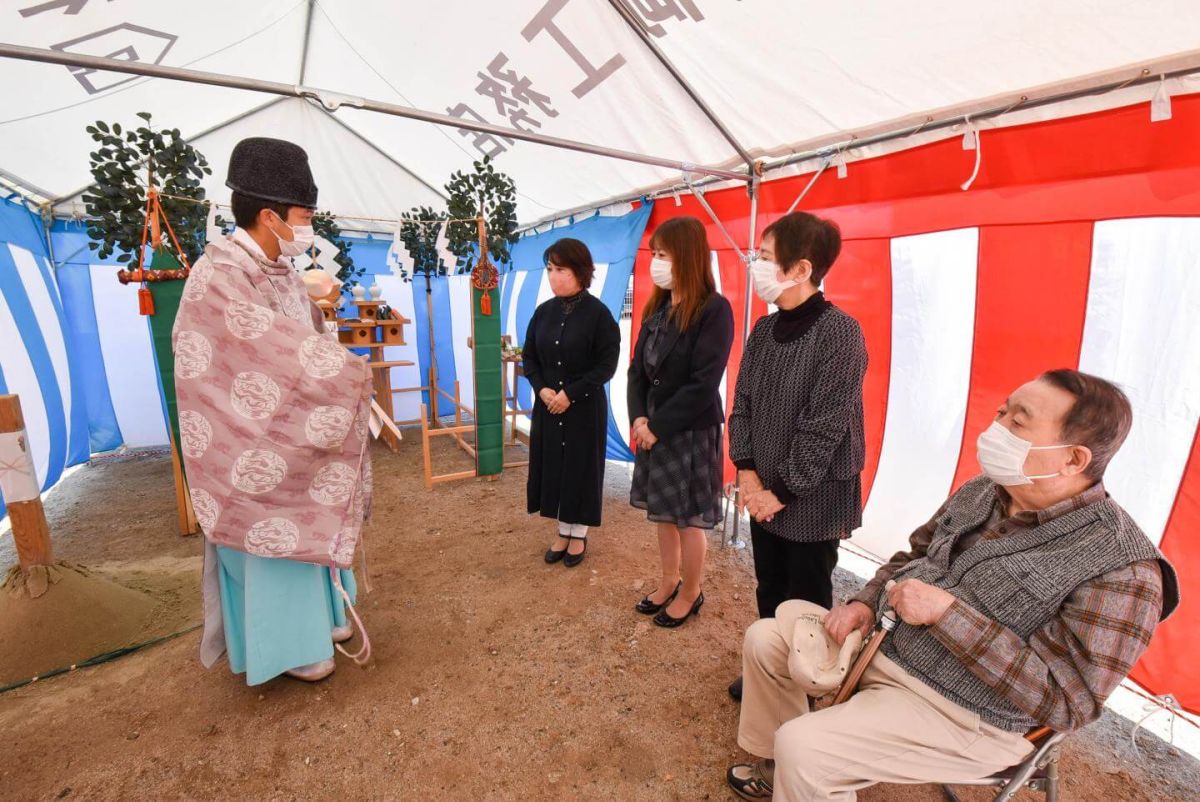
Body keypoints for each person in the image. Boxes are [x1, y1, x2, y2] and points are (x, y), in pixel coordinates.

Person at [726, 370, 1178, 801]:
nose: (996, 426)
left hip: (971, 717)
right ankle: (781, 770)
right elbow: (913, 556)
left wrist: (949, 616)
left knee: (807, 747)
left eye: (1017, 421)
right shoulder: (987, 489)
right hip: (886, 649)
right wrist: (866, 603)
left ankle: (804, 765)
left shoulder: (1126, 570)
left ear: (1073, 458)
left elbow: (1067, 702)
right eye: (1002, 411)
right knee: (766, 639)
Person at [173, 137, 374, 685]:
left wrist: (325, 342)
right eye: (304, 216)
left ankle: (325, 618)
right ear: (270, 215)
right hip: (246, 441)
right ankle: (289, 648)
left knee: (307, 527)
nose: (309, 227)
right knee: (271, 545)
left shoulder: (277, 270)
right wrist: (345, 374)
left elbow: (302, 341)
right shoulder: (220, 276)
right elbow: (255, 359)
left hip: (287, 428)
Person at [726, 212, 867, 701]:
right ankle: (771, 670)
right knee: (769, 585)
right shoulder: (764, 332)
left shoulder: (841, 334)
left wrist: (777, 492)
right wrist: (747, 473)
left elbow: (824, 427)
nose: (756, 265)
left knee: (805, 596)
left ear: (800, 268)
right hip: (763, 487)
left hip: (813, 494)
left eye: (765, 257)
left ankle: (805, 680)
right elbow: (741, 404)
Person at [628, 216, 734, 627]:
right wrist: (639, 417)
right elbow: (637, 370)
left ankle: (692, 591)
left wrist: (657, 426)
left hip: (689, 429)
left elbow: (704, 382)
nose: (655, 262)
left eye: (662, 254)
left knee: (688, 519)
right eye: (653, 254)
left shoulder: (714, 309)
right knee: (664, 514)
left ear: (686, 257)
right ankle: (668, 579)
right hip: (652, 427)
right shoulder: (657, 305)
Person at [522, 238, 621, 567]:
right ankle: (562, 530)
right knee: (555, 465)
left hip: (584, 407)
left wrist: (571, 393)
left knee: (580, 466)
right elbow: (530, 358)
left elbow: (607, 365)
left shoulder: (599, 315)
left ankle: (578, 533)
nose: (553, 276)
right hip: (549, 406)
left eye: (560, 269)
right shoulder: (542, 313)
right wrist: (541, 389)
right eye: (549, 269)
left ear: (580, 271)